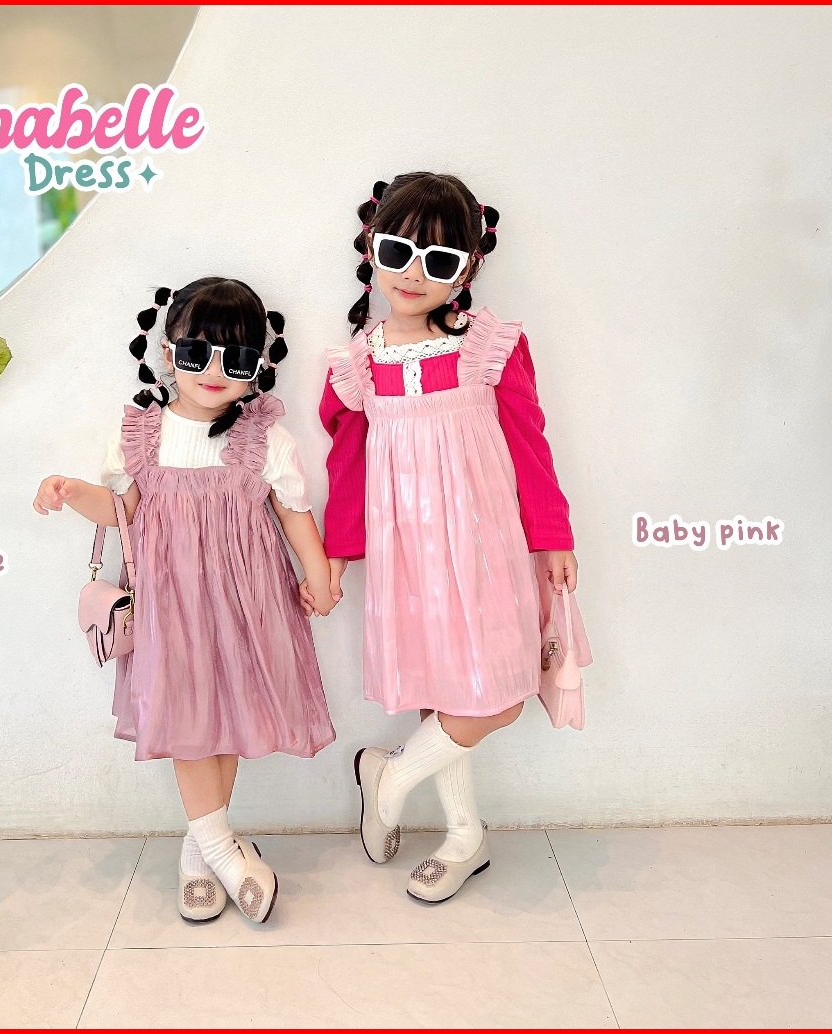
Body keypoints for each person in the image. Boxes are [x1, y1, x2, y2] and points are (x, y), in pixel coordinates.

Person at [306, 173, 579, 903]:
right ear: (371, 249)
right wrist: (336, 559)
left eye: (439, 259)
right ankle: (465, 837)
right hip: (408, 554)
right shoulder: (355, 368)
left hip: (484, 545)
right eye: (398, 251)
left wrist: (553, 535)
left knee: (499, 693)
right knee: (441, 690)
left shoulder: (490, 348)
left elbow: (529, 442)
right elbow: (346, 469)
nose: (413, 273)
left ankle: (388, 778)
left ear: (467, 269)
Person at [34, 278, 337, 925]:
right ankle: (225, 853)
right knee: (190, 728)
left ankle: (200, 851)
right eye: (197, 353)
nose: (214, 371)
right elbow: (120, 510)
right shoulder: (142, 434)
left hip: (245, 604)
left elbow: (295, 513)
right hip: (171, 608)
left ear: (258, 364)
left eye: (237, 358)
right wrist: (71, 491)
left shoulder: (263, 439)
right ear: (169, 353)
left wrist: (320, 577)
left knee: (222, 724)